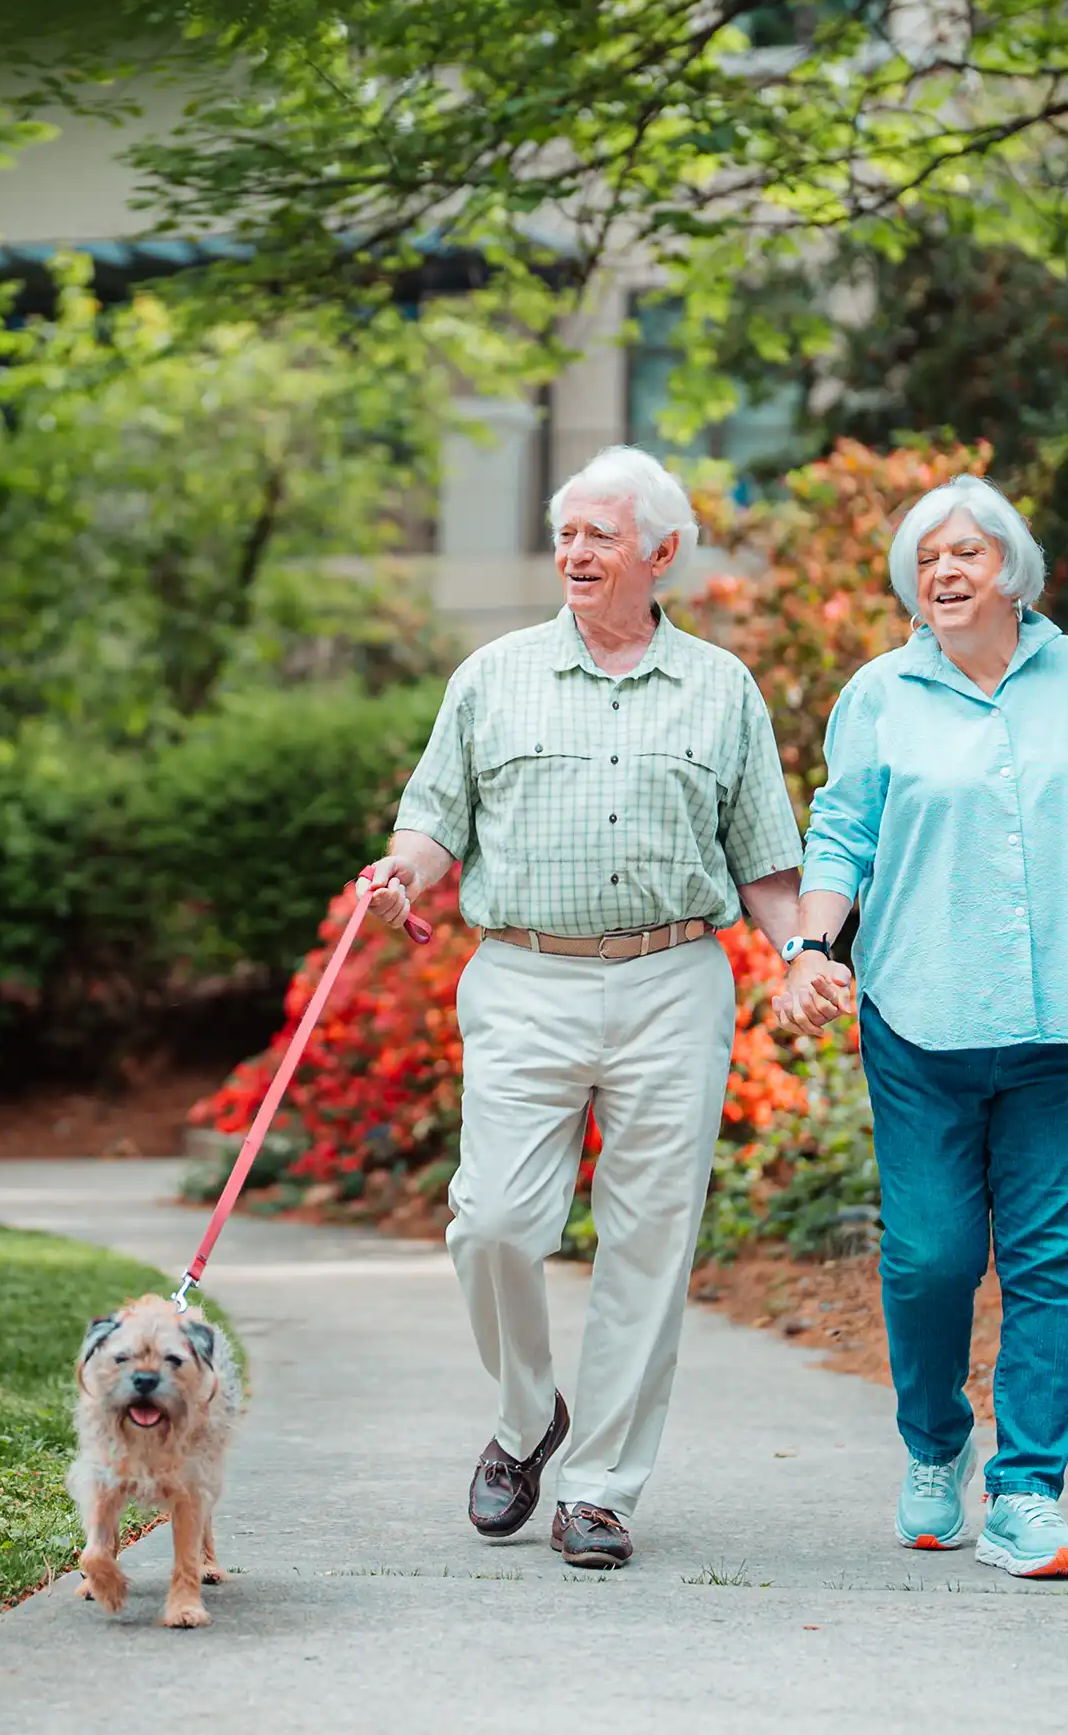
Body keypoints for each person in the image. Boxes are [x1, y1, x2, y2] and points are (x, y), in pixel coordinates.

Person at [363, 445, 805, 1570]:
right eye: (567, 534)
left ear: (661, 553)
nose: (576, 552)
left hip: (671, 979)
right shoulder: (493, 675)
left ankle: (601, 1489)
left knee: (649, 1244)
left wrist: (805, 952)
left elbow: (764, 867)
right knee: (495, 1224)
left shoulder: (722, 690)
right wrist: (402, 873)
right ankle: (527, 1421)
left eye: (600, 535)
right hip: (523, 977)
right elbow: (433, 821)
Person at [773, 474, 1068, 1580]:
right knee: (929, 1259)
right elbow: (842, 833)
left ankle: (1027, 1494)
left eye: (967, 552)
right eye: (927, 559)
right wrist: (813, 948)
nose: (946, 572)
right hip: (921, 1016)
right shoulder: (879, 693)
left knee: (1053, 1262)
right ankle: (934, 1445)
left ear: (1012, 566)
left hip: (1067, 1019)